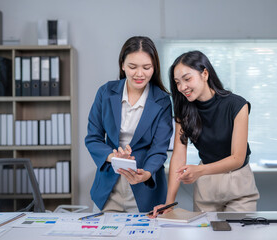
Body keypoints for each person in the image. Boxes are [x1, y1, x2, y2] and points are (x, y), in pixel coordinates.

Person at [151, 50, 259, 216]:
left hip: (239, 184)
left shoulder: (237, 105)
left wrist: (200, 171)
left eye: (187, 79)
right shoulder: (184, 112)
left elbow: (237, 158)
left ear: (205, 74)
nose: (182, 87)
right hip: (206, 188)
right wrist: (168, 204)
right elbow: (178, 158)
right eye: (177, 82)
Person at [85, 36, 173, 213]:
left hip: (144, 188)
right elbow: (93, 138)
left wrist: (146, 173)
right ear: (122, 65)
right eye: (133, 67)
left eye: (146, 67)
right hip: (109, 187)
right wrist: (113, 156)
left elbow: (159, 148)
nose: (139, 74)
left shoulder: (162, 100)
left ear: (154, 67)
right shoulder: (105, 92)